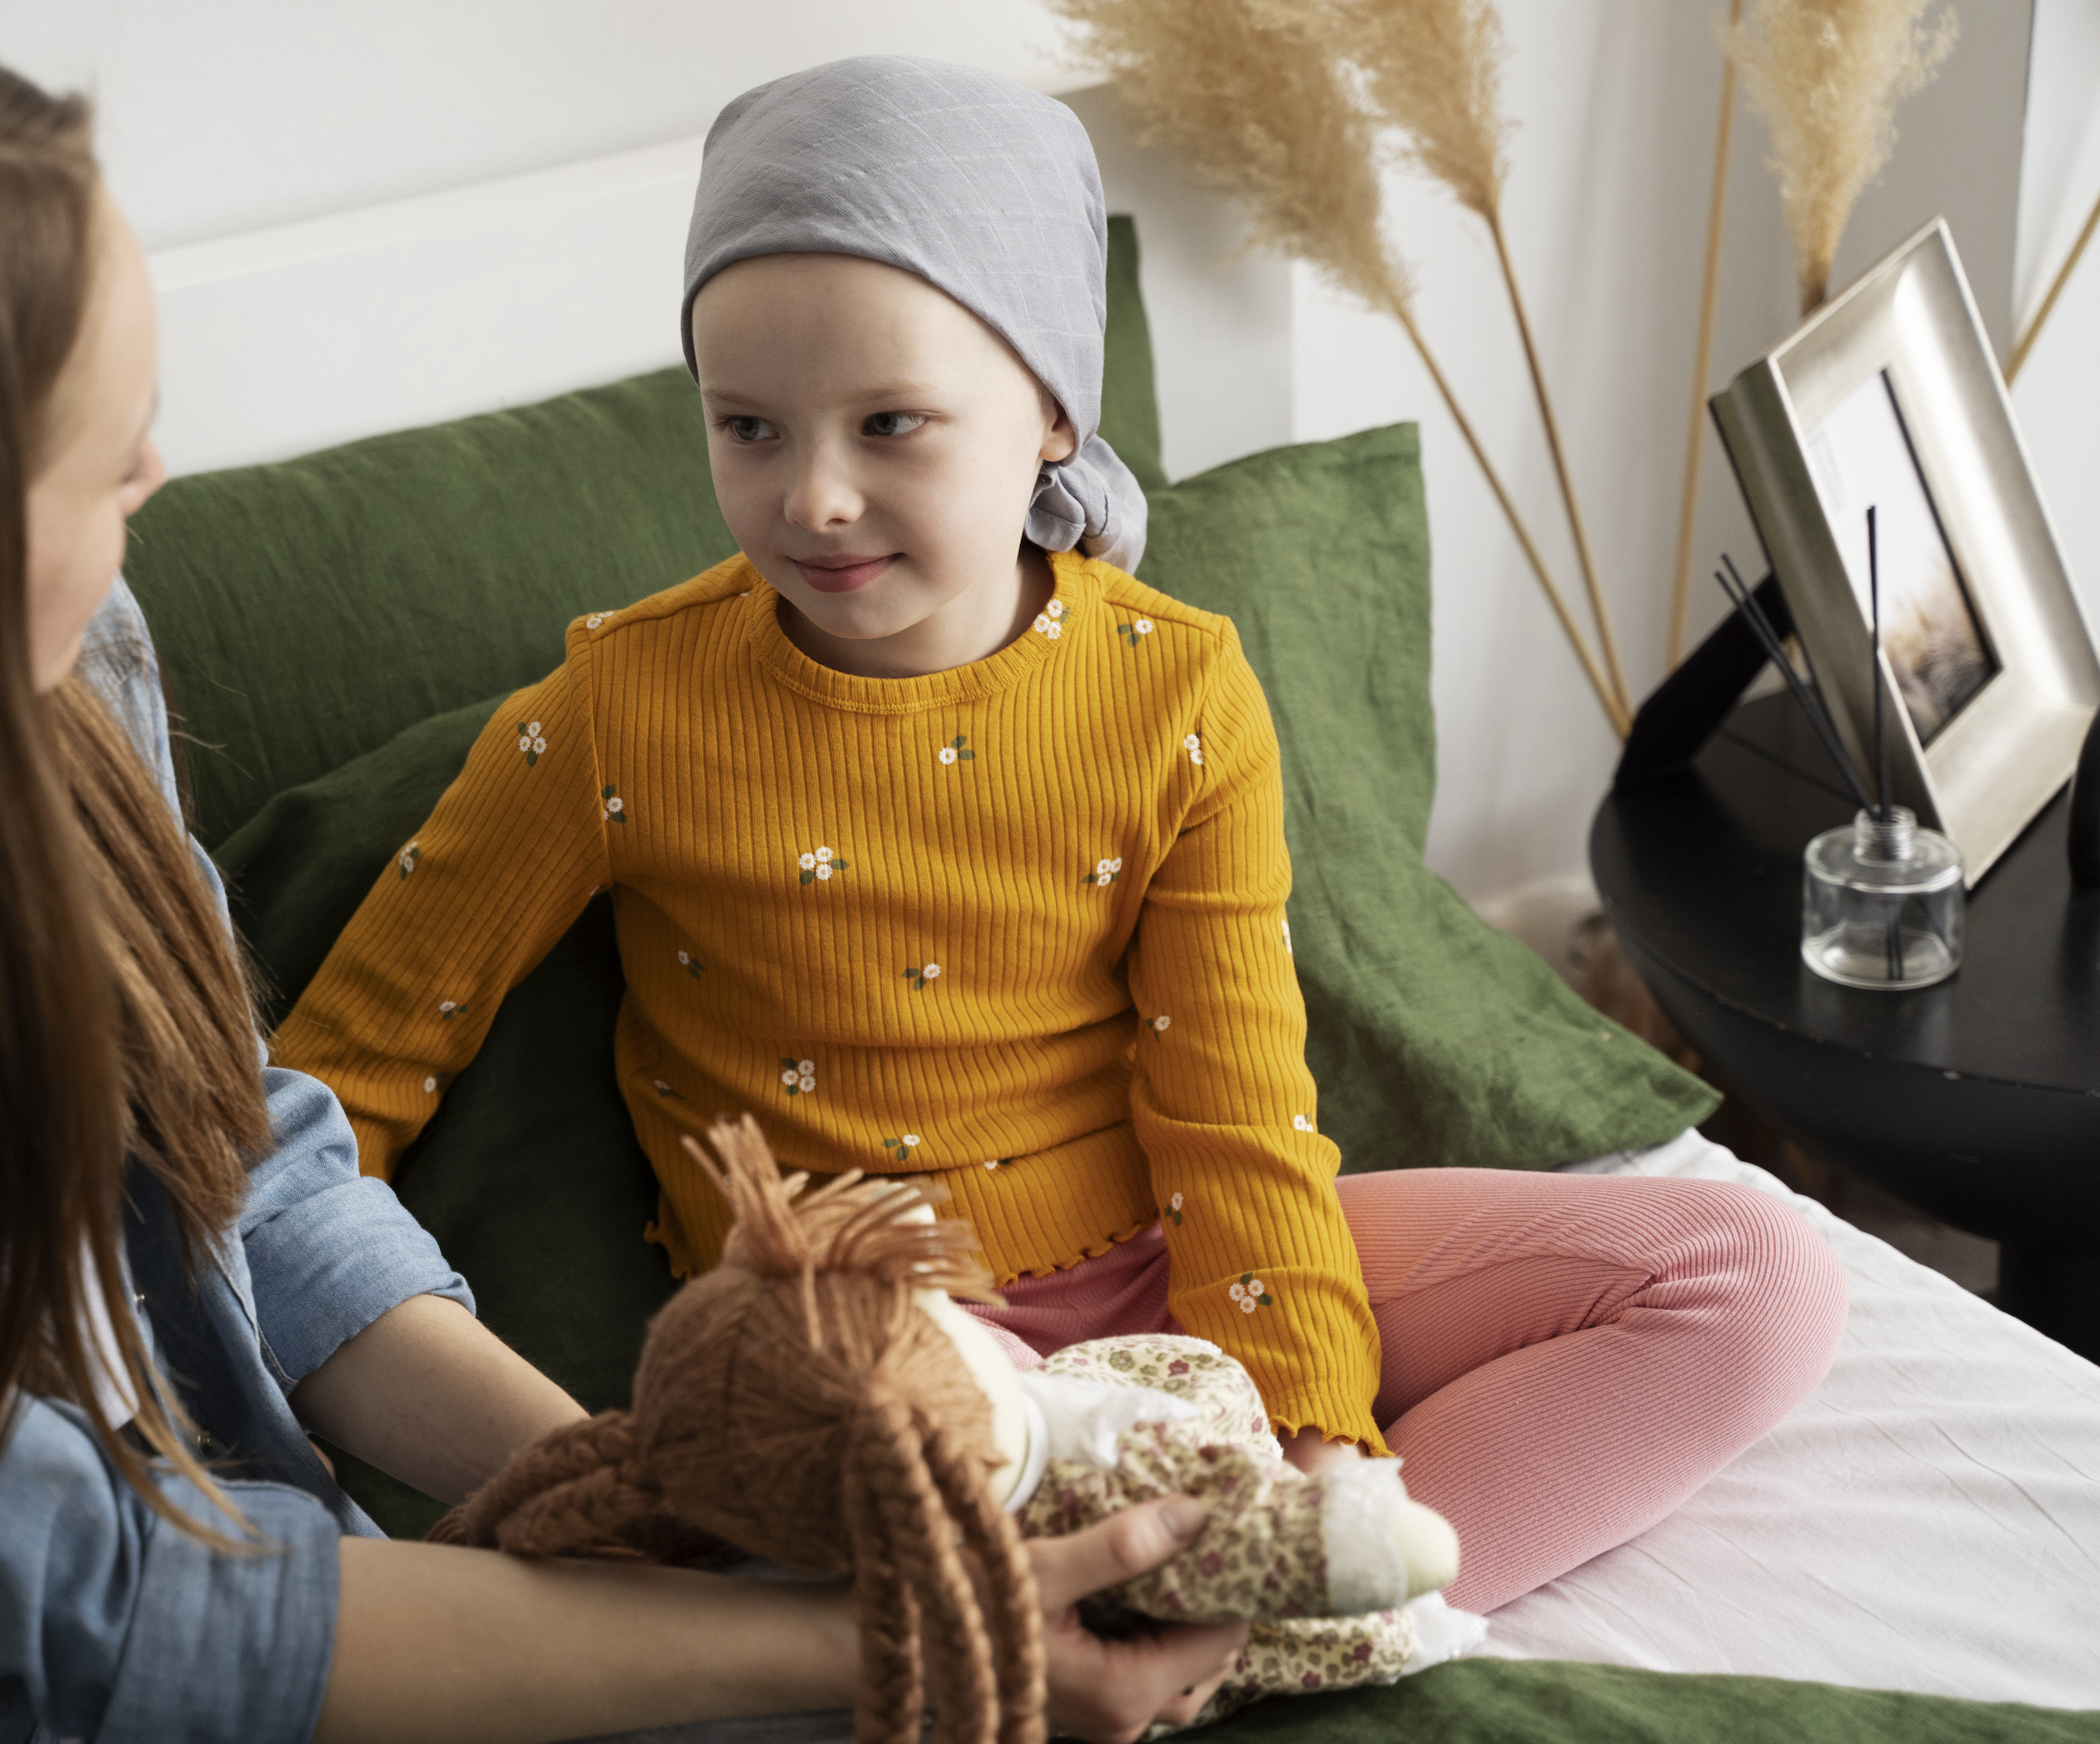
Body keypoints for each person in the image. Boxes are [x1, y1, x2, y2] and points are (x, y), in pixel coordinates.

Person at [0, 22, 1253, 1744]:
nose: (154, 477)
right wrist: (851, 1637)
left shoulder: (54, 659)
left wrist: (653, 1501)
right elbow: (123, 1611)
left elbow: (228, 1153)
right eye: (100, 450)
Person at [274, 56, 1852, 1619]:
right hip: (880, 1342)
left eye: (891, 422)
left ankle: (1278, 1611)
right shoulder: (616, 711)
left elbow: (1235, 1101)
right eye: (748, 427)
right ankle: (1137, 1607)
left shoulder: (1175, 687)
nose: (813, 497)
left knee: (1761, 1277)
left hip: (1173, 1263)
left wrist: (1315, 1436)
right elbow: (343, 1077)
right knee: (884, 1421)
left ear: (1042, 410)